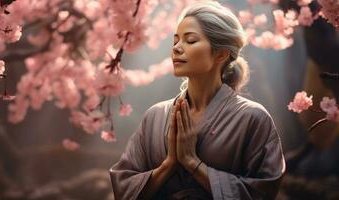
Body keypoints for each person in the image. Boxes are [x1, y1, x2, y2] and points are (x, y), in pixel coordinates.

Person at [109, 1, 286, 199]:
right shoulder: (155, 116)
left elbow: (263, 192)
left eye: (190, 40)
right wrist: (169, 165)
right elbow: (123, 186)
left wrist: (193, 163)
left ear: (220, 54)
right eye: (175, 41)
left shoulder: (253, 118)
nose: (176, 48)